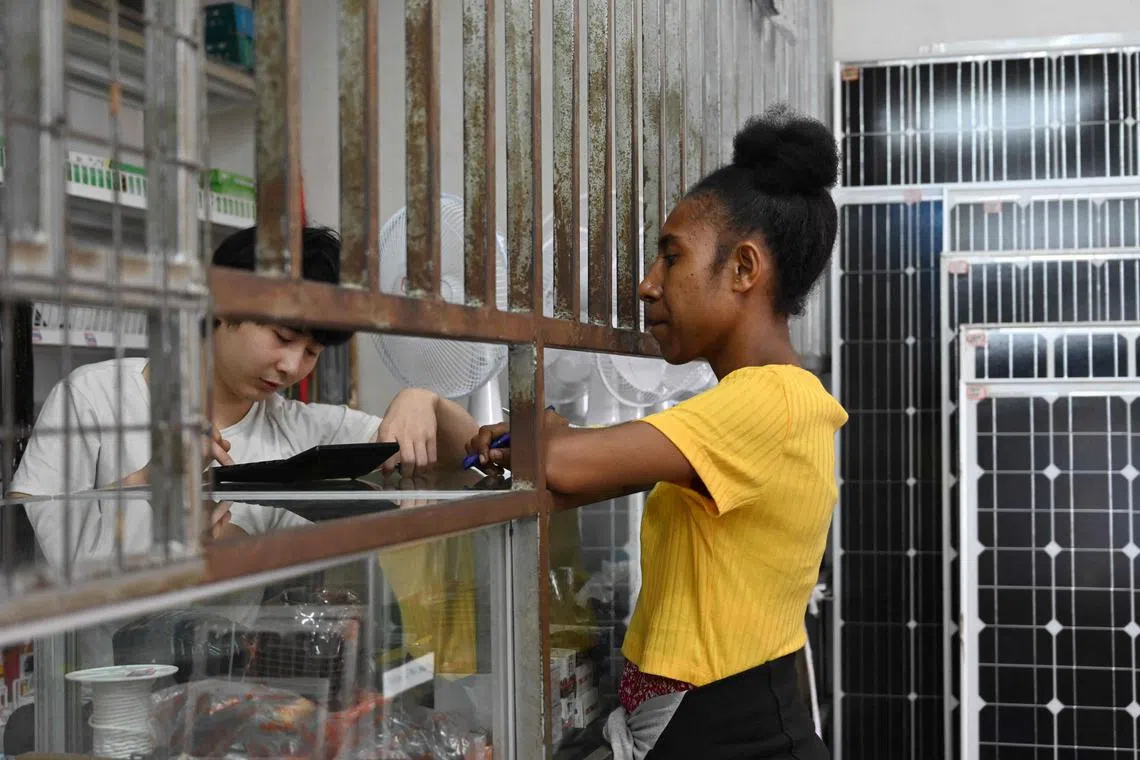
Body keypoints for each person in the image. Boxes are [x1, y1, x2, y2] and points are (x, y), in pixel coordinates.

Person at [466, 107, 845, 759]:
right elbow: (576, 462)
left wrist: (548, 434)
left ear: (744, 269)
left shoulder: (769, 399)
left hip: (729, 729)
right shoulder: (764, 399)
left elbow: (571, 468)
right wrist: (541, 438)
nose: (647, 284)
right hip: (709, 720)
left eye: (671, 256)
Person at [9, 224, 480, 577]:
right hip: (103, 692)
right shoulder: (92, 397)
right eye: (282, 337)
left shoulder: (304, 428)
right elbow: (24, 550)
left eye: (312, 352)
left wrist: (427, 402)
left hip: (240, 688)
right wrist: (146, 489)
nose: (293, 367)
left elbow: (471, 461)